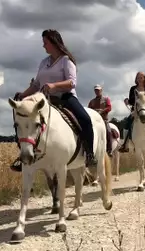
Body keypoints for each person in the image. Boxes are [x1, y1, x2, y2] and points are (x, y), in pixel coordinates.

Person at [10, 29, 97, 172]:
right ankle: (24, 156)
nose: (43, 46)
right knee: (26, 122)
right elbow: (36, 84)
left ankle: (90, 154)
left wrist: (54, 85)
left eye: (45, 43)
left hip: (65, 98)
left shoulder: (66, 61)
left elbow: (71, 83)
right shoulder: (44, 62)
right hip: (45, 100)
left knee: (85, 119)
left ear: (54, 43)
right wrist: (22, 95)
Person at [88, 84, 114, 156]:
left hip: (103, 120)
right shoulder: (92, 101)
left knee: (108, 132)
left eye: (98, 90)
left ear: (101, 90)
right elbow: (89, 109)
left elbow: (109, 107)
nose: (97, 92)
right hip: (94, 120)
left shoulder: (106, 99)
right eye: (96, 90)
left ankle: (109, 150)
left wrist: (102, 111)